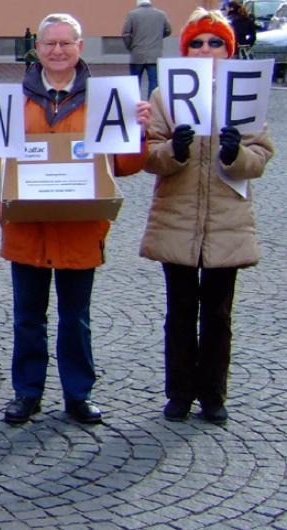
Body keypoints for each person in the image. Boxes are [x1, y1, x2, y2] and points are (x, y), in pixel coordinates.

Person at [0, 13, 153, 425]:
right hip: (27, 228)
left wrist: (140, 132)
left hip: (81, 228)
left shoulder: (107, 100)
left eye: (66, 43)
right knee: (28, 318)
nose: (58, 51)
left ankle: (78, 394)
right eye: (50, 44)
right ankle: (26, 393)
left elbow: (127, 165)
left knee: (76, 319)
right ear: (38, 49)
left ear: (80, 48)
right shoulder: (13, 101)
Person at [143, 8, 274, 425]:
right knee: (179, 311)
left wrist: (236, 154)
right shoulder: (167, 95)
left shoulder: (245, 93)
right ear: (185, 49)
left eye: (215, 42)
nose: (205, 49)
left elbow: (261, 158)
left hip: (225, 221)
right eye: (197, 42)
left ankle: (214, 394)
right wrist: (173, 151)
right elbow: (148, 154)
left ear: (228, 49)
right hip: (177, 218)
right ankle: (179, 392)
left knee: (218, 315)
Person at [123, 0, 172, 98]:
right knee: (154, 82)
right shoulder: (161, 14)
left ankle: (135, 105)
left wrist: (130, 47)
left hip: (137, 54)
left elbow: (126, 34)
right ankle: (151, 106)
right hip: (154, 54)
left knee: (134, 83)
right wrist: (158, 37)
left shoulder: (132, 15)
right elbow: (168, 30)